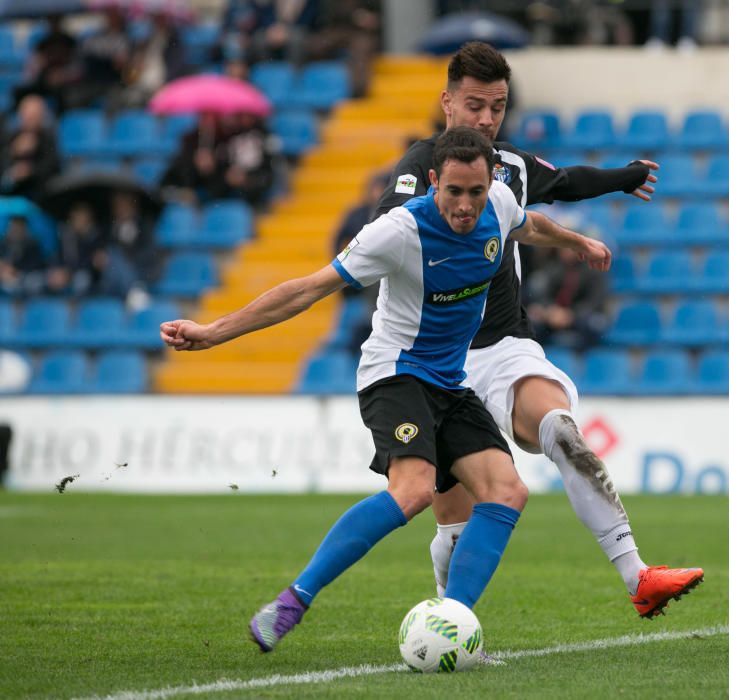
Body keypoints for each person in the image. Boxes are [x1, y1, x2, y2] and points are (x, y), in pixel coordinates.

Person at [161, 127, 612, 651]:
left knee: (507, 491)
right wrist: (212, 332)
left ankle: (453, 623)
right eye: (453, 192)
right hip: (394, 374)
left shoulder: (501, 202)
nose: (466, 206)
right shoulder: (398, 232)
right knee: (415, 490)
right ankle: (292, 602)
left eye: (476, 192)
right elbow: (306, 291)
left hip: (449, 381)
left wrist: (576, 241)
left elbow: (527, 224)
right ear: (432, 181)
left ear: (491, 183)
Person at [375, 41, 703, 620]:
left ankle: (639, 575)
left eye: (496, 107)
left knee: (561, 430)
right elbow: (381, 229)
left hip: (504, 349)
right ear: (447, 102)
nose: (485, 119)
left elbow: (566, 181)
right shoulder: (420, 168)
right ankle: (451, 621)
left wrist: (623, 178)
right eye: (474, 105)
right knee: (453, 521)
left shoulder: (510, 168)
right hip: (432, 364)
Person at [0, 95, 60, 203]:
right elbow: (3, 166)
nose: (31, 119)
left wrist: (30, 171)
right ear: (20, 115)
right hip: (11, 193)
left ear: (42, 116)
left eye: (36, 115)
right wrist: (13, 152)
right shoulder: (11, 137)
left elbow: (53, 166)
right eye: (28, 115)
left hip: (39, 193)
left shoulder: (48, 138)